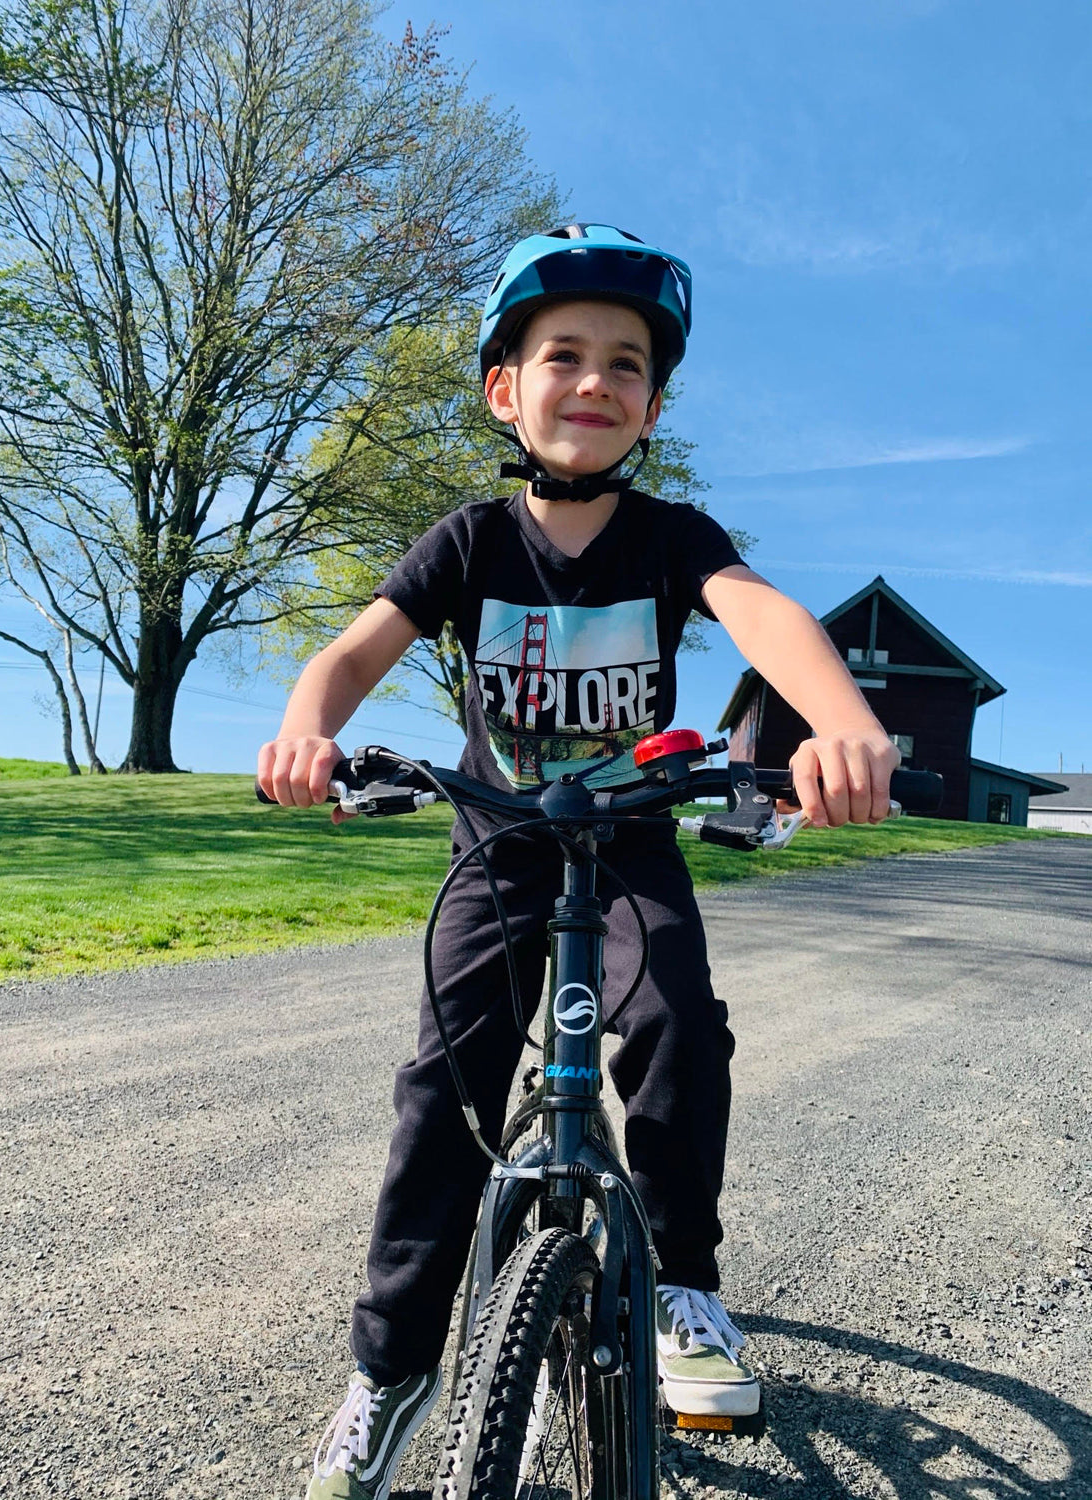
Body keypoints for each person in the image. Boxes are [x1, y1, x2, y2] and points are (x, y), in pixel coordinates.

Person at [258, 224, 901, 1500]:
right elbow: (353, 650)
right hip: (497, 852)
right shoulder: (468, 543)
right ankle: (390, 1373)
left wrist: (843, 720)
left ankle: (688, 1293)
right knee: (442, 1086)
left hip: (628, 847)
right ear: (506, 389)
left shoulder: (672, 538)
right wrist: (305, 726)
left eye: (626, 363)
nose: (595, 380)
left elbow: (761, 612)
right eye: (564, 355)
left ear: (652, 405)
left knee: (675, 1026)